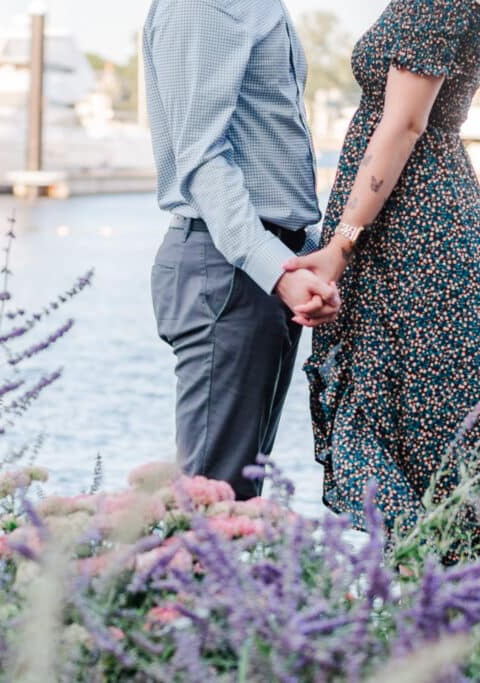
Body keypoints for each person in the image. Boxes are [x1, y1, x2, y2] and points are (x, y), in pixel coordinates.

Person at [283, 0, 480, 556]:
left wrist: (341, 244)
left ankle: (446, 602)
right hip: (426, 224)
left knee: (428, 429)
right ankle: (450, 608)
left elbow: (404, 123)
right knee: (436, 430)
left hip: (415, 238)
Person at [142, 0, 341, 500]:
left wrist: (311, 258)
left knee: (236, 504)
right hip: (229, 270)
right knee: (212, 507)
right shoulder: (208, 5)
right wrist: (277, 271)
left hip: (260, 265)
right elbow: (202, 158)